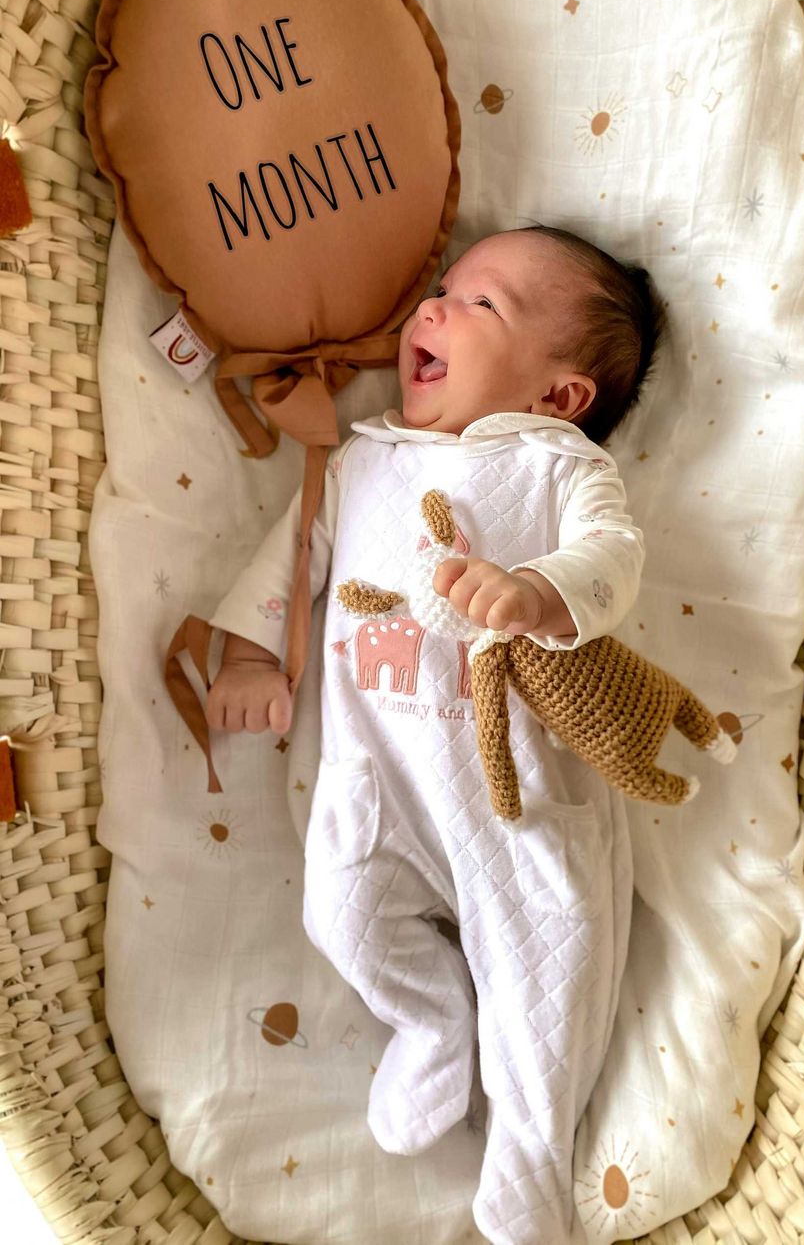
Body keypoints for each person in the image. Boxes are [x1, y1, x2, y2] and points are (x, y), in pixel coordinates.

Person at [204, 224, 667, 1245]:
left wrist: (540, 590)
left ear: (559, 395)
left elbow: (612, 557)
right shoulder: (364, 459)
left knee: (553, 964)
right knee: (345, 911)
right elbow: (291, 561)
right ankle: (426, 1018)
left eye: (478, 303)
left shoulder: (555, 466)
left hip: (521, 797)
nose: (430, 307)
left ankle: (528, 1163)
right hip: (379, 788)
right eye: (441, 288)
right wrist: (246, 654)